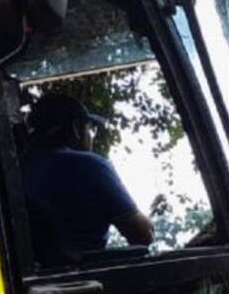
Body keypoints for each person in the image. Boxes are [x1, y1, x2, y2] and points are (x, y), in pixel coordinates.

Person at [22, 93, 154, 265]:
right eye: (89, 128)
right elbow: (143, 235)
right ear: (76, 128)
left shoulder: (17, 167)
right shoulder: (89, 166)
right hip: (83, 279)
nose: (91, 136)